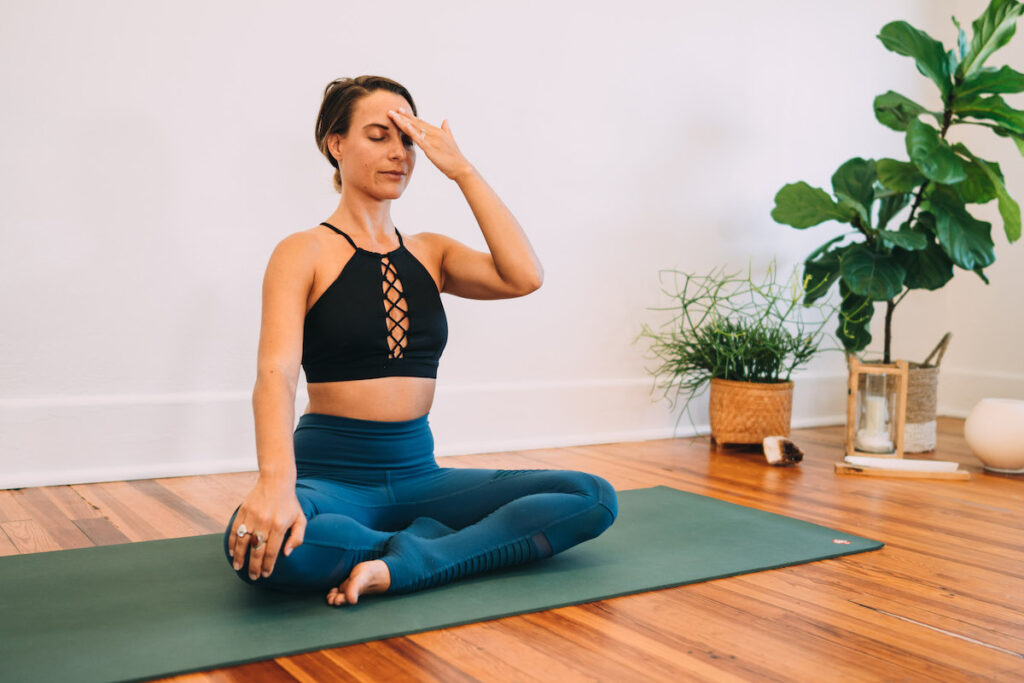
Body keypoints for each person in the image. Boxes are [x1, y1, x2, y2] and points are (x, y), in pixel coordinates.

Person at [223, 75, 617, 607]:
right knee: (259, 546)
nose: (399, 153)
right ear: (335, 145)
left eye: (407, 139)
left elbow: (524, 275)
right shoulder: (303, 251)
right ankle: (428, 550)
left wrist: (462, 170)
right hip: (330, 478)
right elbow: (276, 376)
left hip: (420, 474)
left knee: (590, 497)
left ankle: (408, 562)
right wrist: (275, 483)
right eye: (379, 135)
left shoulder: (432, 253)